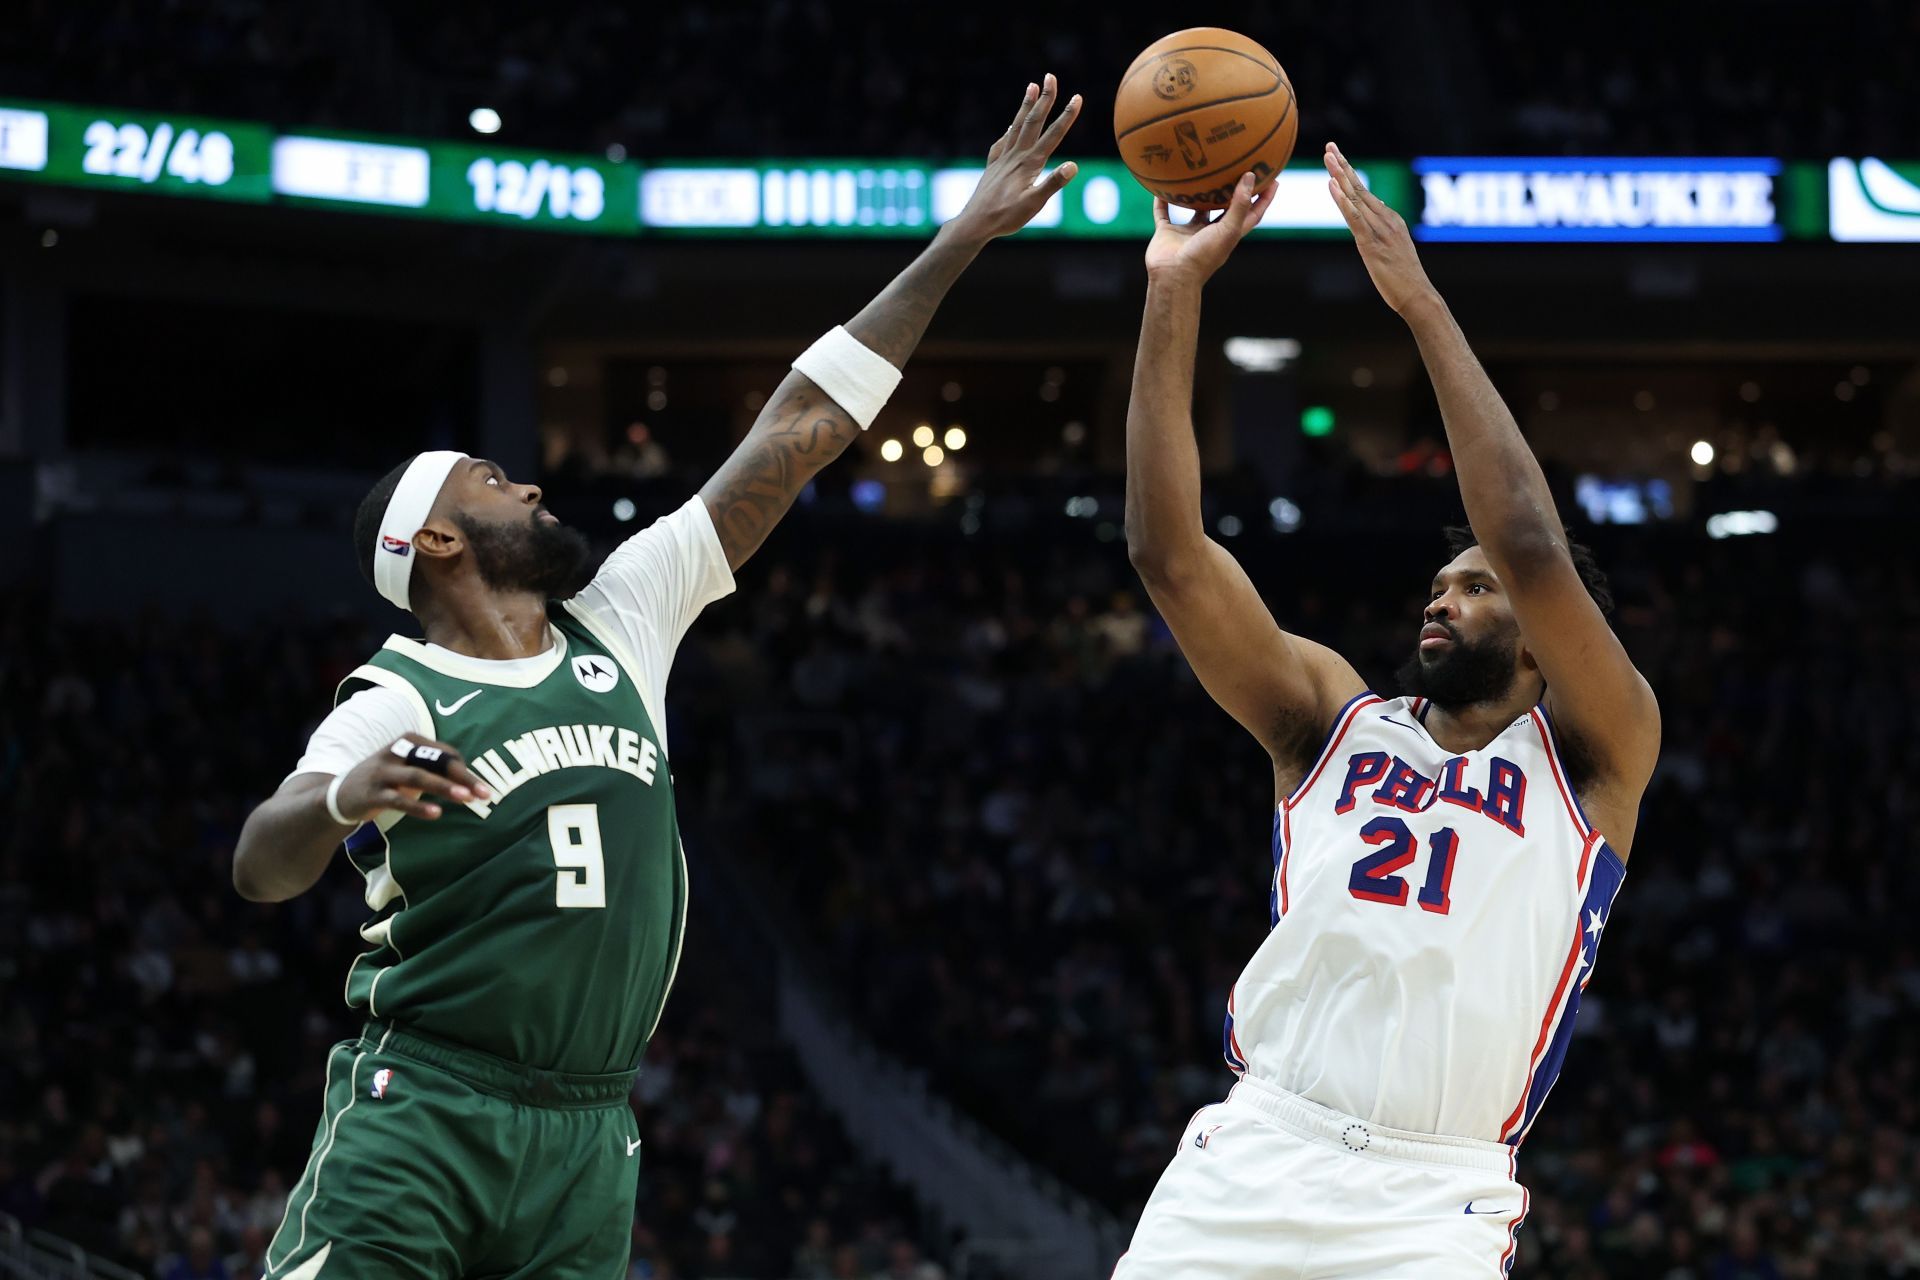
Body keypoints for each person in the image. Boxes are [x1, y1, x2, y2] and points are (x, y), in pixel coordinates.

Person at [229, 75, 1084, 1280]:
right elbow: (260, 864)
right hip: (426, 1104)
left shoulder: (623, 611)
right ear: (434, 540)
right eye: (489, 479)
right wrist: (340, 793)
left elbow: (799, 426)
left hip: (590, 1127)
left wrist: (962, 238)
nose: (527, 485)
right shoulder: (397, 692)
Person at [1112, 144, 1661, 1277]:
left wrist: (1418, 301)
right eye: (1439, 583)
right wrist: (1174, 289)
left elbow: (1525, 538)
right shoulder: (1331, 718)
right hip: (1255, 1149)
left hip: (1432, 1195)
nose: (1443, 593)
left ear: (1549, 644)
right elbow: (1168, 556)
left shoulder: (1600, 757)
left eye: (1474, 588)